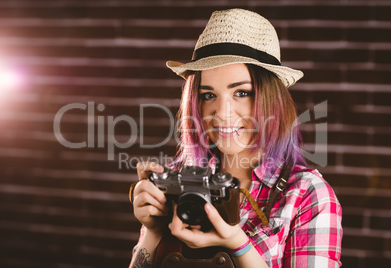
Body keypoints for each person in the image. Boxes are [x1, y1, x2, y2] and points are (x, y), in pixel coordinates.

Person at [129, 8, 342, 268]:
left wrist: (238, 244)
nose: (222, 113)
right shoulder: (178, 179)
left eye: (241, 93)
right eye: (208, 95)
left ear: (271, 98)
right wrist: (152, 231)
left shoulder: (306, 195)